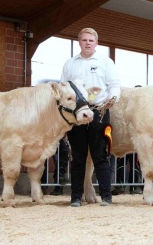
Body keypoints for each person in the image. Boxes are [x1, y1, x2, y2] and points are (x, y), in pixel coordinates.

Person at [61, 28, 120, 207]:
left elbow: (114, 84)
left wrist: (113, 98)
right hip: (77, 114)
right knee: (78, 157)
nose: (88, 43)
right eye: (84, 40)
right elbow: (64, 87)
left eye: (91, 40)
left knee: (100, 156)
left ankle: (107, 197)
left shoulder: (105, 61)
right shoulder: (70, 63)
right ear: (79, 42)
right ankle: (76, 197)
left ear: (96, 42)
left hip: (99, 111)